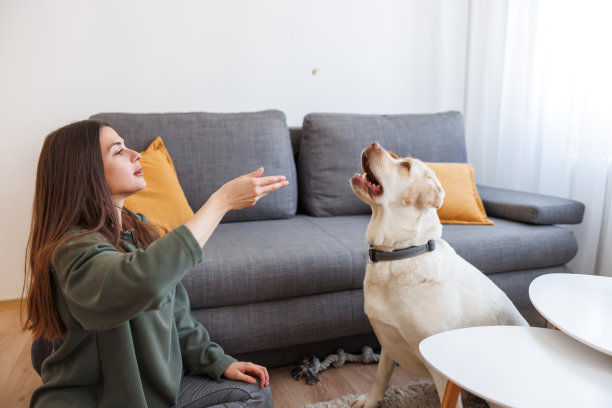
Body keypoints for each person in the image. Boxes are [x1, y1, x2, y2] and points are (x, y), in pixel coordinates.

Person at [22, 120, 288, 407]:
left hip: (161, 397)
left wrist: (218, 362)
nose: (136, 154)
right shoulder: (70, 250)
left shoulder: (139, 230)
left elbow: (177, 316)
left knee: (254, 393)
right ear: (84, 172)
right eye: (118, 151)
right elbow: (142, 281)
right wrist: (220, 202)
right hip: (101, 403)